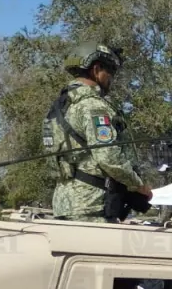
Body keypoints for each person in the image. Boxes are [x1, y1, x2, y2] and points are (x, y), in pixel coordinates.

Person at [44, 43, 153, 222]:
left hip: (64, 203)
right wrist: (139, 186)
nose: (111, 78)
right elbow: (108, 157)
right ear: (96, 69)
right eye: (110, 72)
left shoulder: (59, 108)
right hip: (92, 206)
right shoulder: (94, 106)